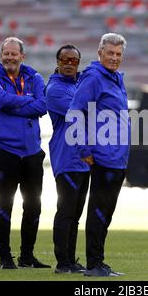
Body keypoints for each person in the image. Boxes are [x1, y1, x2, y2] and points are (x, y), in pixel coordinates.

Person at [0, 37, 50, 269]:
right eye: (6, 53)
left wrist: (14, 104)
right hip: (5, 150)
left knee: (33, 205)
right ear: (1, 56)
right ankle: (4, 257)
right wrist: (26, 101)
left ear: (22, 56)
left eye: (14, 54)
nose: (10, 57)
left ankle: (27, 256)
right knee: (5, 204)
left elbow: (42, 106)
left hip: (32, 152)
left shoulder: (36, 78)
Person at [68, 33, 130, 277]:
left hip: (117, 156)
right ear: (99, 53)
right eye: (110, 53)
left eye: (118, 54)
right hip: (103, 155)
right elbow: (76, 112)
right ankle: (94, 264)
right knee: (99, 211)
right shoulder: (94, 78)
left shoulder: (115, 78)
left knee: (106, 212)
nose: (114, 58)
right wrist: (84, 149)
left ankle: (99, 262)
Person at [45, 44, 90, 274]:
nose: (70, 64)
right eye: (65, 60)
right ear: (58, 62)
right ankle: (62, 262)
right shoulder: (54, 89)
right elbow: (80, 112)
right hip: (67, 156)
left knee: (76, 214)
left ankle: (71, 260)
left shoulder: (80, 83)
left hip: (84, 159)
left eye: (74, 60)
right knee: (66, 211)